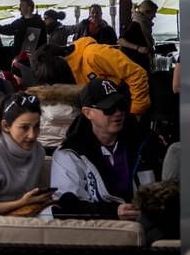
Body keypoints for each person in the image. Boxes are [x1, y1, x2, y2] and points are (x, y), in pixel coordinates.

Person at [51, 78, 165, 221]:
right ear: (88, 113)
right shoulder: (69, 153)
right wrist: (113, 212)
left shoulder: (146, 142)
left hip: (148, 223)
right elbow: (65, 208)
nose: (118, 113)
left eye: (121, 105)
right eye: (108, 108)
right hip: (99, 230)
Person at [62, 37, 151, 116]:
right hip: (104, 116)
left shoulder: (94, 54)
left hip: (126, 105)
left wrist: (137, 111)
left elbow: (137, 74)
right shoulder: (68, 70)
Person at [25, 50, 80, 149]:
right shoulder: (84, 105)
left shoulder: (28, 105)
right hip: (71, 156)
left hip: (37, 156)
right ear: (69, 76)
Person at [119, 0, 157, 72]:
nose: (154, 16)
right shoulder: (136, 24)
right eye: (153, 13)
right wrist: (138, 48)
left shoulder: (144, 25)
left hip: (139, 64)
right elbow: (121, 41)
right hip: (135, 64)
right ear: (147, 12)